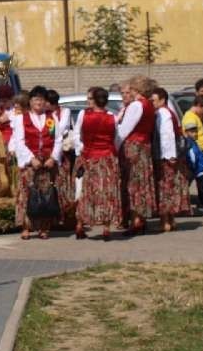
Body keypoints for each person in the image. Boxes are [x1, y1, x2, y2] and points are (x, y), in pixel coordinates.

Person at [12, 85, 63, 240]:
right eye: (35, 99)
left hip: (47, 163)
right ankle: (26, 227)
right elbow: (19, 141)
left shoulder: (51, 118)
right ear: (30, 101)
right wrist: (30, 158)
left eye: (41, 99)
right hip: (30, 164)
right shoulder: (22, 118)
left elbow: (58, 139)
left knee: (46, 195)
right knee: (27, 194)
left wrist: (53, 158)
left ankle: (44, 227)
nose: (38, 102)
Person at [75, 87, 119, 240]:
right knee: (107, 192)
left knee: (87, 192)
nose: (88, 101)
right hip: (107, 158)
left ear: (95, 100)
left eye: (90, 98)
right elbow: (116, 139)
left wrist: (82, 151)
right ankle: (106, 228)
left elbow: (78, 135)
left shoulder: (83, 115)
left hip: (89, 157)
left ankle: (80, 224)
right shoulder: (113, 116)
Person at [115, 75, 157, 234]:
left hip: (133, 147)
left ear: (137, 89)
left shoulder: (136, 106)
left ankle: (136, 220)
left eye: (131, 89)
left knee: (133, 183)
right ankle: (140, 218)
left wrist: (115, 146)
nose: (129, 92)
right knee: (141, 182)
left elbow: (124, 130)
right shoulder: (148, 105)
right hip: (144, 147)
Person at [150, 87, 190, 232]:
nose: (152, 103)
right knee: (170, 188)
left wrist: (169, 155)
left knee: (165, 188)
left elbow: (167, 136)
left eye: (154, 100)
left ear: (162, 100)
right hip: (170, 156)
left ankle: (165, 221)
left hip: (166, 157)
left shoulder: (163, 113)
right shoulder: (168, 112)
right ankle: (171, 220)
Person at [46, 89, 73, 224]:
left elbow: (62, 129)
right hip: (49, 151)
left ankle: (64, 215)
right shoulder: (45, 115)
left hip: (62, 152)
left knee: (62, 182)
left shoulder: (64, 112)